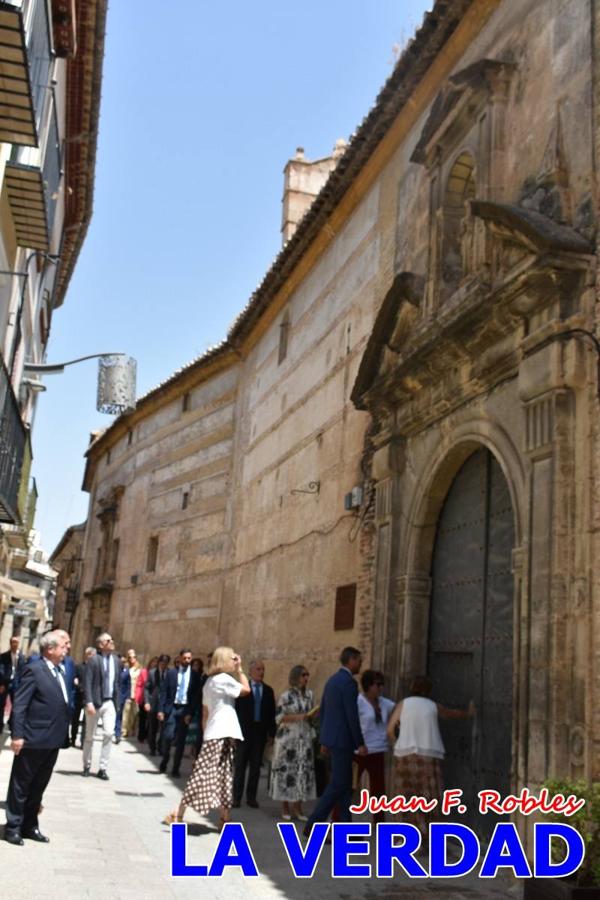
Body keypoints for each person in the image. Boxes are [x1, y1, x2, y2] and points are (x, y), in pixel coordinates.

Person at [164, 646, 250, 829]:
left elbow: (205, 713)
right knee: (211, 774)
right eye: (231, 658)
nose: (234, 661)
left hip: (215, 733)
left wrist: (206, 735)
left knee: (222, 775)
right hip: (222, 733)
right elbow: (246, 690)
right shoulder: (224, 680)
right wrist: (240, 669)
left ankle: (224, 819)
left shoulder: (210, 682)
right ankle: (178, 814)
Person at [386, 676, 475, 841]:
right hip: (428, 758)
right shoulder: (433, 706)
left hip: (405, 757)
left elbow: (390, 730)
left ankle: (404, 837)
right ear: (428, 690)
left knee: (405, 797)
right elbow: (452, 714)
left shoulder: (403, 704)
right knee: (428, 798)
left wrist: (398, 744)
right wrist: (468, 713)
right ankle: (427, 837)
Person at [4, 630, 71, 845]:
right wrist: (17, 735)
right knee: (21, 785)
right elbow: (20, 704)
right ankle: (13, 826)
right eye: (63, 646)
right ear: (50, 649)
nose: (66, 649)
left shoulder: (60, 670)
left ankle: (29, 825)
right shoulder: (34, 669)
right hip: (33, 738)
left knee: (38, 785)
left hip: (53, 739)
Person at [303, 647, 367, 837]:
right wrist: (360, 742)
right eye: (359, 660)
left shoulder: (332, 680)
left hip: (333, 739)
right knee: (338, 784)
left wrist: (324, 738)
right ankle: (313, 823)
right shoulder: (348, 683)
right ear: (351, 660)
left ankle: (347, 830)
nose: (361, 664)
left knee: (345, 786)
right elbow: (351, 715)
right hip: (343, 741)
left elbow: (324, 711)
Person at [270, 665, 317, 821]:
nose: (306, 678)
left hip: (304, 739)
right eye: (304, 675)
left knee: (302, 772)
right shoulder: (286, 696)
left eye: (307, 675)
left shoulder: (310, 695)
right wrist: (299, 717)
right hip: (288, 741)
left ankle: (298, 807)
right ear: (296, 677)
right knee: (287, 772)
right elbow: (279, 717)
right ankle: (285, 806)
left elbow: (310, 715)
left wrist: (311, 715)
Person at [233, 659, 276, 808]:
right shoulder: (243, 690)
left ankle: (251, 797)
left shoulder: (268, 691)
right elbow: (235, 711)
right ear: (250, 672)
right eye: (258, 669)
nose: (261, 672)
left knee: (255, 767)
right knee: (240, 766)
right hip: (244, 732)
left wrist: (272, 734)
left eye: (263, 669)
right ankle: (236, 797)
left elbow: (271, 713)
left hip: (260, 733)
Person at [354, 669, 395, 823]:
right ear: (369, 685)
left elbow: (399, 709)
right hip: (360, 750)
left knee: (378, 789)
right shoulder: (358, 702)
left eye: (382, 685)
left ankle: (378, 821)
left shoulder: (384, 703)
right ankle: (339, 820)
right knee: (350, 786)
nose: (381, 688)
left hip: (378, 749)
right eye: (378, 685)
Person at [82, 632, 120, 780]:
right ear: (100, 644)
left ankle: (102, 768)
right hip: (94, 703)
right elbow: (87, 682)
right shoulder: (93, 660)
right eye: (108, 640)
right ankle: (86, 765)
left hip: (109, 702)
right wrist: (89, 702)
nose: (112, 642)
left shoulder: (116, 660)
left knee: (109, 734)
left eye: (112, 639)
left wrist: (117, 704)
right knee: (90, 736)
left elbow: (116, 683)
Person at [158, 648, 202, 776]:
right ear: (180, 658)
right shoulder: (171, 673)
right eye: (185, 658)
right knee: (168, 736)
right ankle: (165, 759)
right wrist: (161, 709)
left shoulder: (194, 675)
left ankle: (175, 768)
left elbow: (195, 696)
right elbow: (164, 692)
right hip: (172, 708)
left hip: (185, 709)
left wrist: (190, 713)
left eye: (189, 658)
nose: (187, 660)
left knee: (181, 741)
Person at [144, 653, 170, 755]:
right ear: (159, 663)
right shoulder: (152, 673)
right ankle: (152, 748)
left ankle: (160, 746)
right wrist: (146, 702)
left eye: (165, 663)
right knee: (153, 728)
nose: (163, 665)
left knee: (164, 728)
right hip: (153, 703)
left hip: (164, 705)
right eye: (162, 662)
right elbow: (146, 688)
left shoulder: (170, 673)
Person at [71, 647, 96, 748]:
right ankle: (73, 738)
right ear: (87, 655)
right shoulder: (79, 667)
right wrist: (80, 686)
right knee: (75, 719)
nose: (91, 657)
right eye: (90, 654)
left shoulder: (95, 669)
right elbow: (75, 679)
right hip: (79, 696)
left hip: (88, 698)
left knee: (87, 721)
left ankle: (83, 742)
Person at [121, 648, 141, 738]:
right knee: (126, 713)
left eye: (134, 657)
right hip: (128, 694)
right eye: (130, 657)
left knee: (134, 714)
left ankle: (131, 729)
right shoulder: (126, 669)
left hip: (136, 694)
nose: (132, 659)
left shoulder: (139, 669)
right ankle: (124, 730)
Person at [135, 656, 156, 743]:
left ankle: (148, 735)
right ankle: (141, 736)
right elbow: (139, 685)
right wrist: (138, 696)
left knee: (151, 719)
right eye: (153, 662)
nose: (154, 664)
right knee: (142, 718)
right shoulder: (144, 672)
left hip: (153, 699)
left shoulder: (157, 674)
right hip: (143, 698)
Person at [114, 655, 130, 743]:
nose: (122, 663)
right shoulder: (114, 670)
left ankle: (117, 734)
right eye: (121, 662)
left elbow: (128, 685)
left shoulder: (126, 672)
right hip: (112, 696)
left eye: (124, 662)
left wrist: (128, 697)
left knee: (118, 715)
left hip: (121, 697)